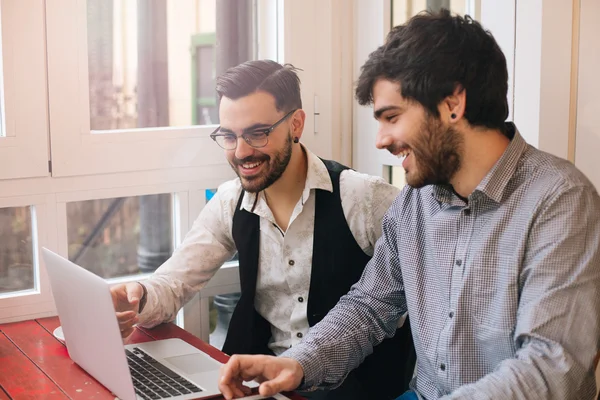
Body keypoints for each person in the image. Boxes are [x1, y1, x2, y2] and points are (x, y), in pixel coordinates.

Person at [218, 9, 600, 400]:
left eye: (392, 117)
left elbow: (550, 368)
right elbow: (369, 305)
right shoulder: (417, 200)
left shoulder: (560, 201)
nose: (381, 140)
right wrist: (299, 363)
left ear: (453, 104)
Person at [109, 59, 416, 400]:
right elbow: (175, 282)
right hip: (261, 389)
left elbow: (406, 299)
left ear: (296, 124)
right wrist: (137, 296)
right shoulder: (230, 201)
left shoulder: (364, 198)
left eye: (257, 133)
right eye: (229, 135)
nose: (241, 153)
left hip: (356, 389)